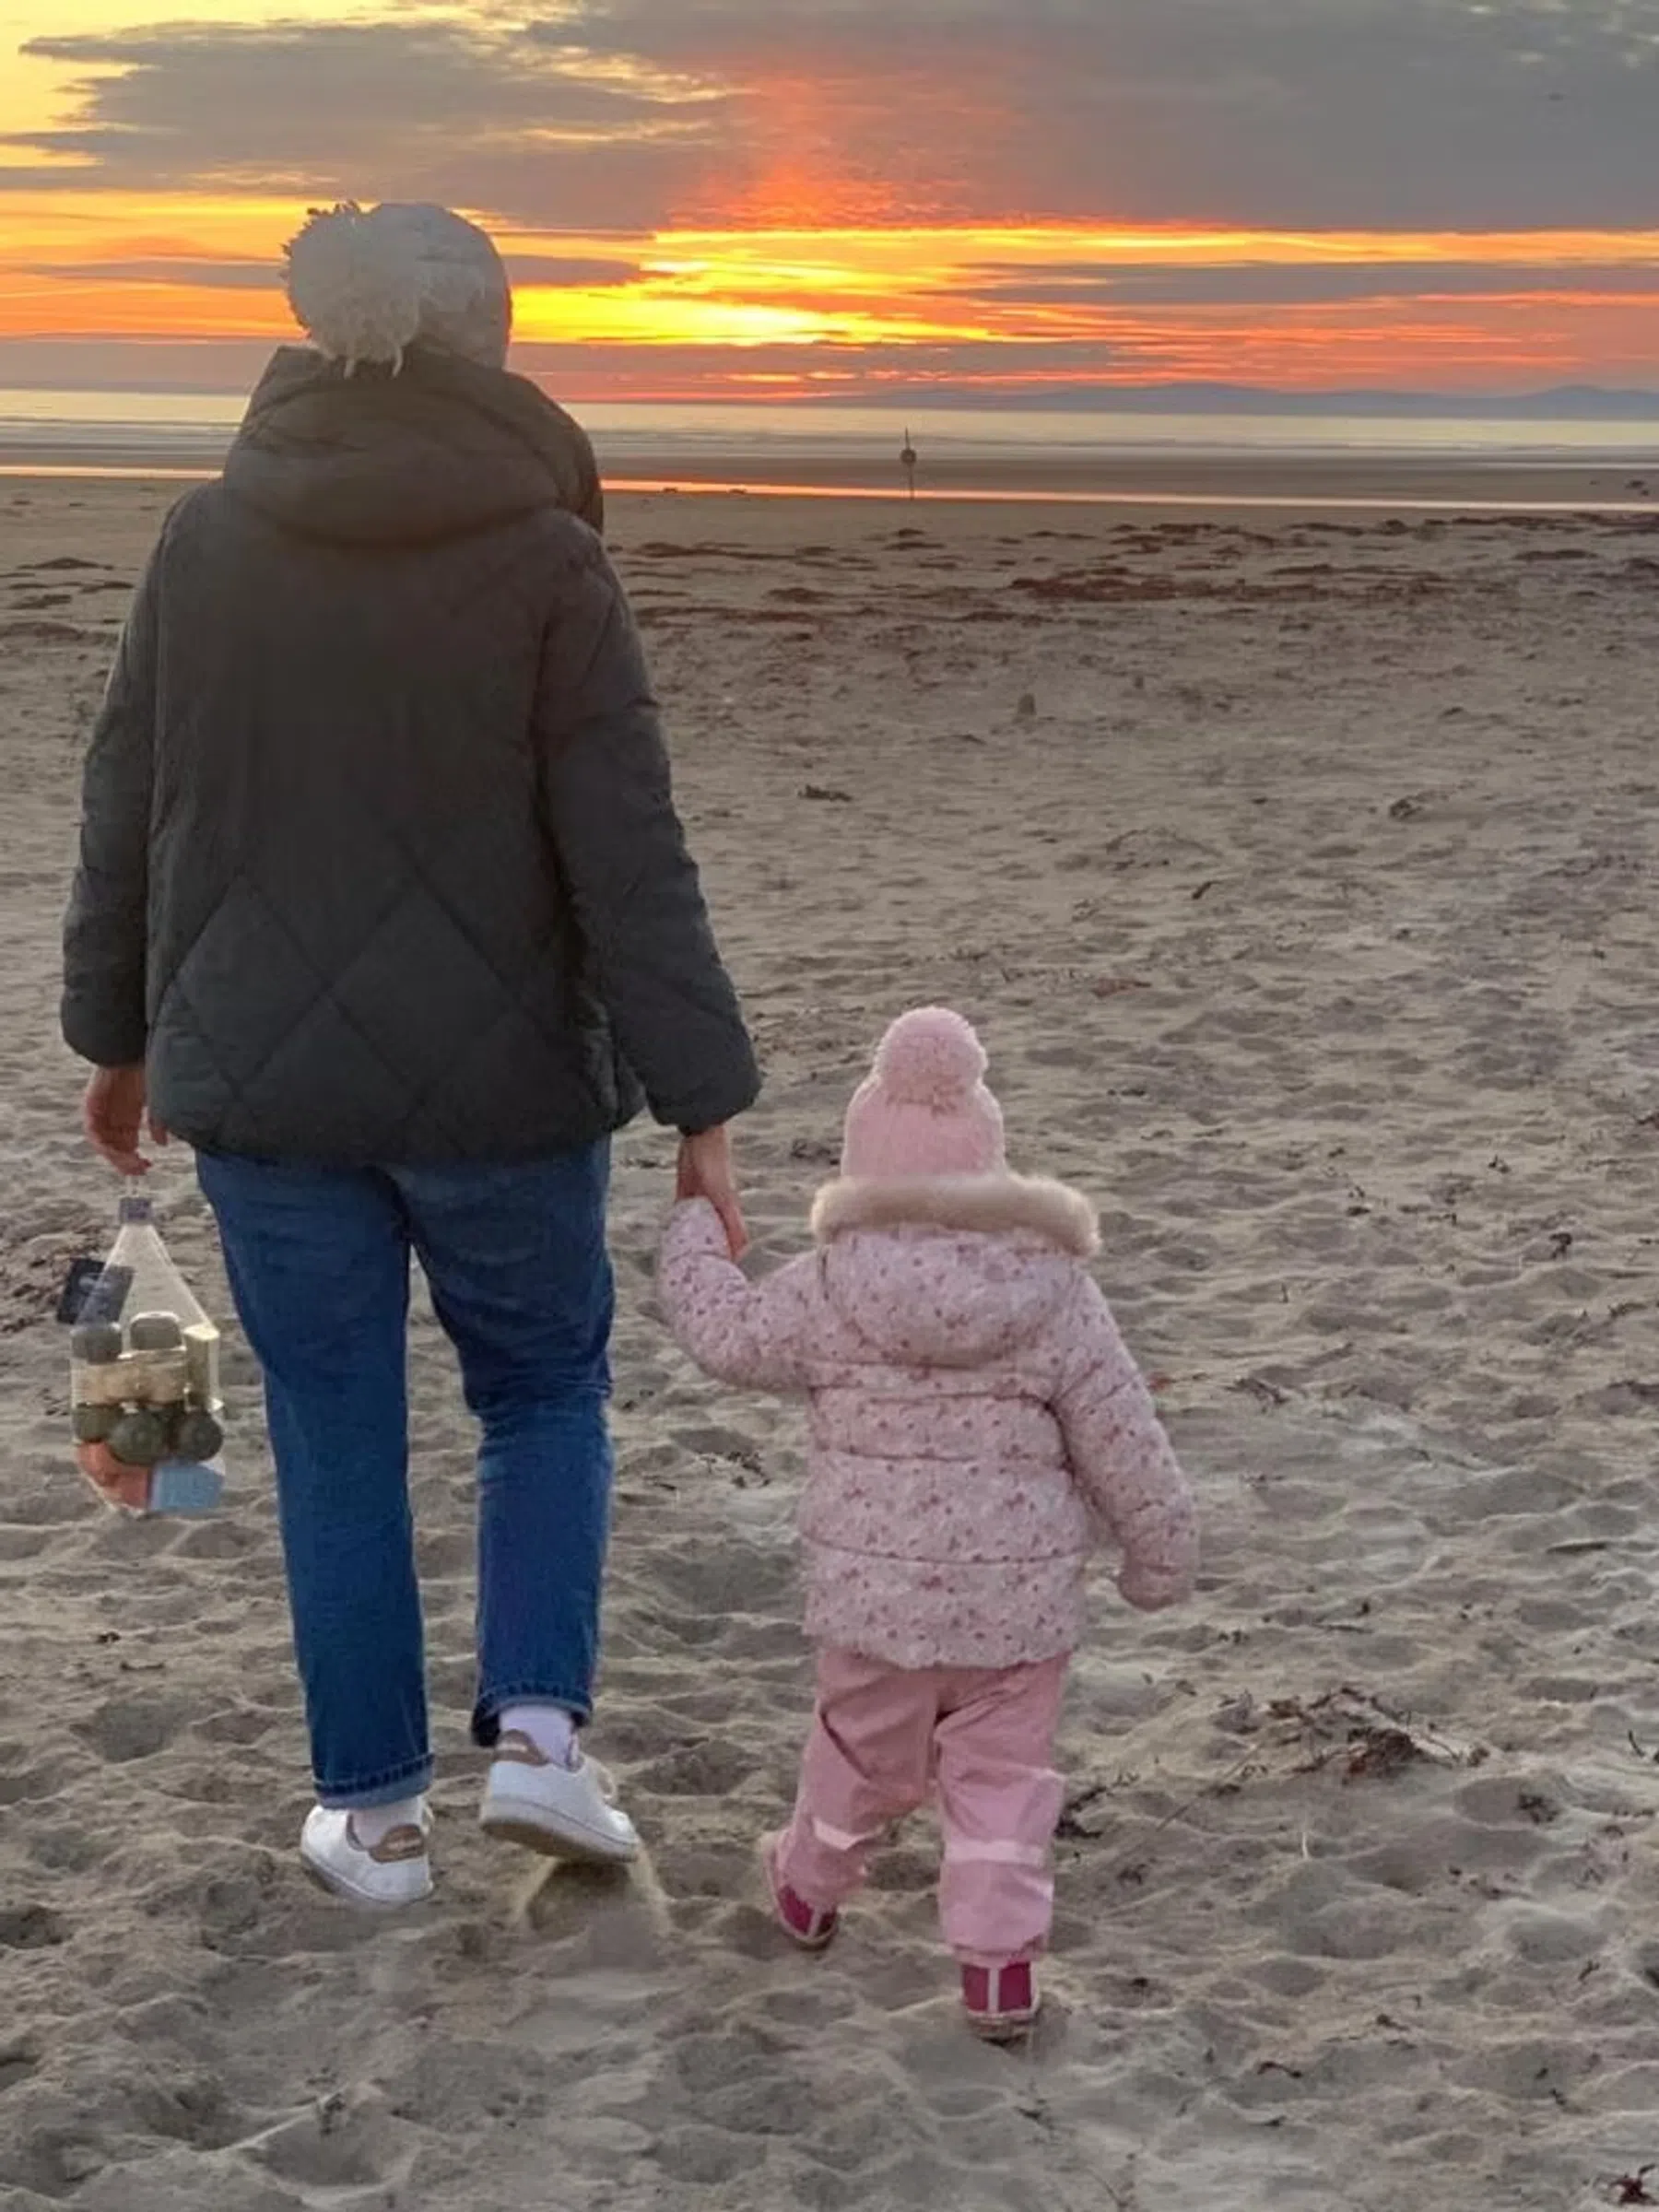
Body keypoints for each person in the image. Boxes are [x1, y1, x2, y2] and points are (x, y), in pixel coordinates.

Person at [61, 201, 759, 1908]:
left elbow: (125, 803)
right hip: (507, 1092)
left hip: (262, 1087)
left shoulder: (205, 540)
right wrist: (703, 1101)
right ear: (493, 344)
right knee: (542, 1390)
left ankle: (372, 1818)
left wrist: (116, 1037)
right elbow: (628, 851)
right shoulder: (551, 560)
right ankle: (540, 1743)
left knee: (335, 1428)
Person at [657, 1006, 1196, 2039]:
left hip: (876, 1605)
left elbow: (724, 1334)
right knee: (1002, 1785)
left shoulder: (830, 1288)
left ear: (862, 1168)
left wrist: (694, 1227)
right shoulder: (1054, 1291)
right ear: (990, 1167)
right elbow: (1123, 1436)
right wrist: (1158, 1556)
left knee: (856, 1755)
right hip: (1016, 1614)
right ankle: (998, 1974)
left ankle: (807, 1891)